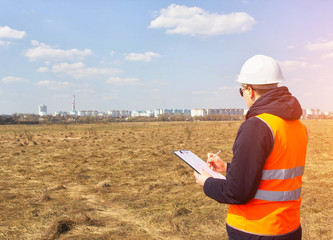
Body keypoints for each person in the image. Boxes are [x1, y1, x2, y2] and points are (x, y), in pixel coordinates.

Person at [194, 55, 308, 240]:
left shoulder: (257, 126)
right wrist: (228, 168)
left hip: (255, 230)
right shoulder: (297, 125)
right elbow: (275, 172)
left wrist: (207, 183)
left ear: (249, 90)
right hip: (289, 228)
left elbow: (237, 192)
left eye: (242, 91)